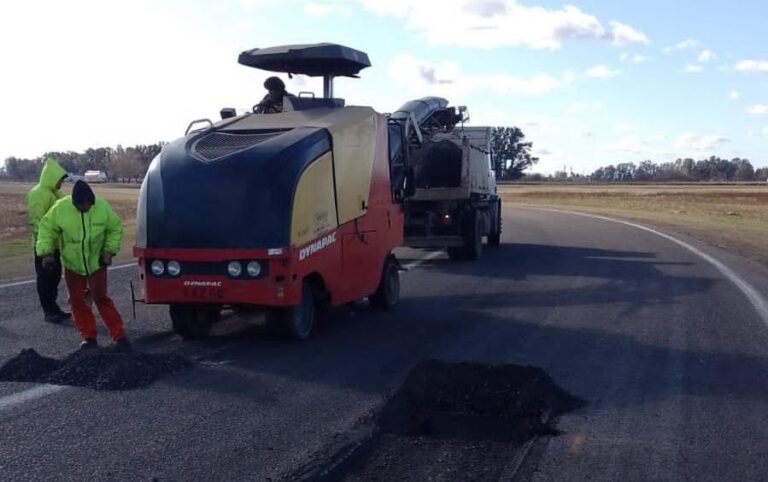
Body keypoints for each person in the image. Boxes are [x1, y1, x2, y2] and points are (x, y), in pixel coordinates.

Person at [36, 180, 130, 351]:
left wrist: (109, 251)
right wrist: (47, 253)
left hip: (97, 262)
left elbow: (115, 228)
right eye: (82, 206)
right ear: (74, 203)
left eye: (89, 205)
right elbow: (46, 230)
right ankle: (88, 338)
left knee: (101, 298)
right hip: (73, 264)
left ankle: (119, 336)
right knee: (77, 300)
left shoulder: (102, 207)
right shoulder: (60, 209)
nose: (87, 208)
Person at [27, 158, 71, 323]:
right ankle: (48, 310)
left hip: (56, 245)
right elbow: (36, 221)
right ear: (52, 177)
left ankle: (53, 308)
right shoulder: (37, 194)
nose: (62, 183)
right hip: (44, 247)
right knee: (45, 279)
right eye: (60, 179)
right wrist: (45, 249)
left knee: (55, 278)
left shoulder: (55, 194)